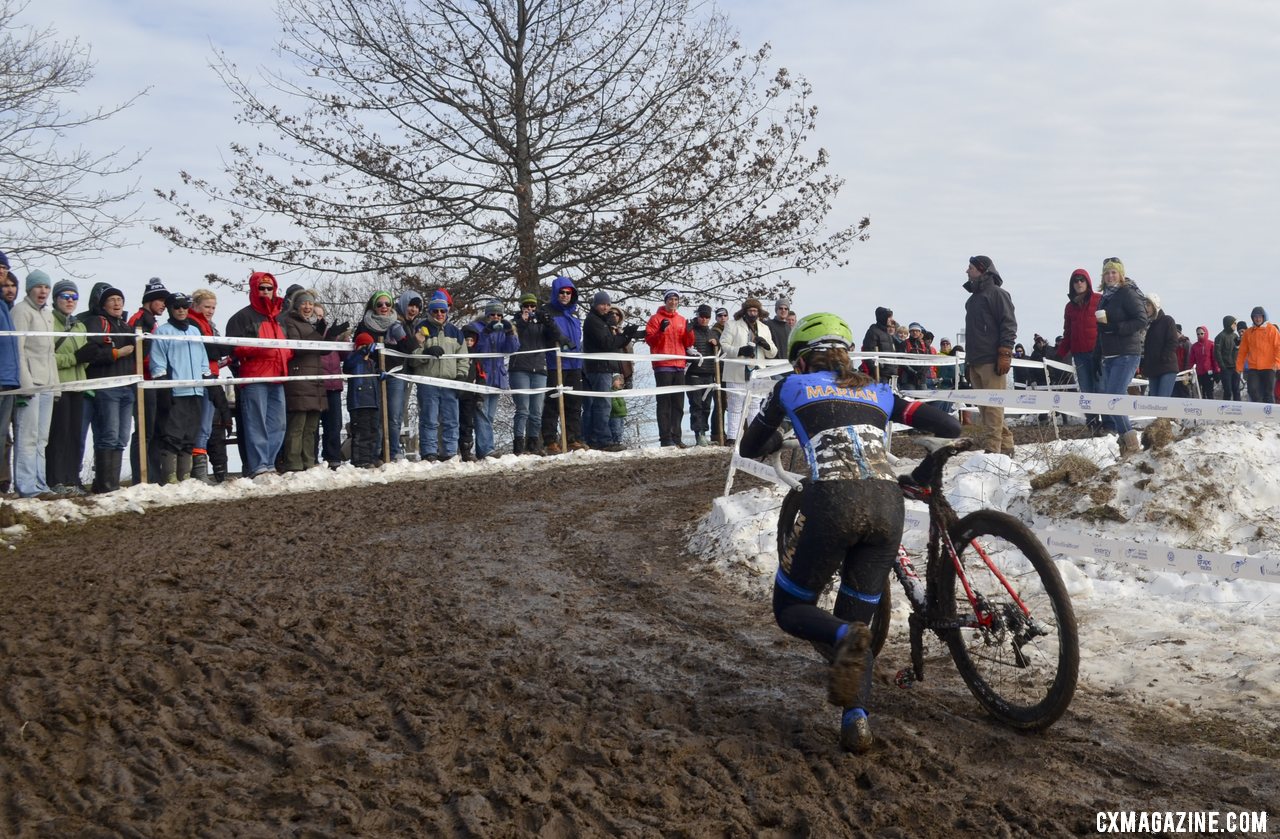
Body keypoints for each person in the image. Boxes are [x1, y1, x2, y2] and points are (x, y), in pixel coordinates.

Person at [738, 312, 960, 753]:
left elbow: (750, 446)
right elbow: (950, 426)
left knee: (791, 608)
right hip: (887, 504)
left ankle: (842, 636)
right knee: (859, 617)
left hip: (833, 502)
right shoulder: (875, 389)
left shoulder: (791, 387)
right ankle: (855, 718)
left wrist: (781, 433)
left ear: (799, 360)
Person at [226, 272, 292, 477]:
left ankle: (269, 463)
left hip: (278, 376)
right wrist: (260, 348)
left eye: (269, 288)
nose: (265, 292)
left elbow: (289, 345)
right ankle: (258, 466)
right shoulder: (241, 317)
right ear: (254, 289)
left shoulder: (281, 317)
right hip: (254, 376)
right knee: (256, 422)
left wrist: (285, 354)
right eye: (262, 288)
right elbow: (233, 348)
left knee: (278, 423)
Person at [75, 283, 136, 493]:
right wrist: (115, 353)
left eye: (119, 299)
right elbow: (89, 352)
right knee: (108, 434)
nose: (117, 303)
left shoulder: (127, 326)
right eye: (112, 300)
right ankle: (105, 484)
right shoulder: (97, 322)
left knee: (122, 437)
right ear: (103, 304)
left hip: (127, 386)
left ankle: (111, 482)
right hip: (106, 384)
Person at [282, 289, 347, 472]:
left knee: (311, 426)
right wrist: (319, 332)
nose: (308, 307)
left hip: (314, 379)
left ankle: (309, 462)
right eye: (304, 303)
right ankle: (294, 463)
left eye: (310, 303)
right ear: (296, 305)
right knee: (298, 425)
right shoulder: (290, 322)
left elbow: (321, 350)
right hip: (299, 378)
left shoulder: (309, 325)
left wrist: (331, 336)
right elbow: (299, 348)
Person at [149, 293, 211, 482]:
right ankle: (169, 477)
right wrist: (165, 386)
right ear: (170, 309)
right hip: (176, 390)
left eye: (185, 306)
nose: (182, 310)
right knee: (172, 435)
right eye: (177, 307)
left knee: (189, 435)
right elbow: (157, 362)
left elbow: (203, 360)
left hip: (196, 389)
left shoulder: (194, 331)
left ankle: (185, 476)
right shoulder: (162, 332)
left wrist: (210, 380)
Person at [962, 255, 1017, 455]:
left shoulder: (998, 294)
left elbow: (1009, 324)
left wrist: (1005, 352)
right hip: (975, 360)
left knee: (994, 408)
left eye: (970, 268)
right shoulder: (972, 300)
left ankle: (993, 450)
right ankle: (1007, 444)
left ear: (982, 270)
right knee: (986, 410)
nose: (967, 271)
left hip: (992, 360)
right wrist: (968, 362)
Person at [1094, 258, 1149, 454]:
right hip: (1109, 354)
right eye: (1107, 273)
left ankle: (1131, 443)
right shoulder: (1104, 297)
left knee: (1113, 398)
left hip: (1126, 352)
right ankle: (1125, 443)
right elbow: (1103, 329)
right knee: (1111, 401)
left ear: (1121, 275)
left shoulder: (1127, 292)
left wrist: (1117, 328)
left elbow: (1142, 319)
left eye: (1114, 273)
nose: (1110, 276)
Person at [11, 269, 58, 497]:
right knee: (27, 436)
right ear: (29, 288)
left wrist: (56, 385)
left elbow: (50, 353)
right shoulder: (21, 311)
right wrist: (25, 383)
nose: (43, 291)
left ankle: (40, 483)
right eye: (39, 286)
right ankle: (26, 486)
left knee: (42, 438)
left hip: (48, 383)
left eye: (46, 287)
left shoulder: (47, 314)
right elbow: (17, 349)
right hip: (30, 383)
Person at [408, 295, 466, 461]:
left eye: (443, 311)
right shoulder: (420, 328)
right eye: (436, 311)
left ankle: (450, 452)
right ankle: (429, 452)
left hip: (450, 382)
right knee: (429, 419)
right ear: (430, 311)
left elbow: (463, 357)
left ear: (447, 312)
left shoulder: (455, 332)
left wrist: (461, 376)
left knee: (451, 420)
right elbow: (412, 357)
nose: (439, 314)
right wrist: (426, 353)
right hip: (428, 381)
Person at [47, 280, 89, 494]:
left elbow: (85, 355)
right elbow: (48, 357)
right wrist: (74, 358)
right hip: (59, 384)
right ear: (56, 299)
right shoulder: (49, 323)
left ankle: (72, 478)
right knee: (58, 433)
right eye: (65, 296)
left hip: (78, 385)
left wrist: (87, 357)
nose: (70, 301)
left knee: (75, 434)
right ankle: (55, 479)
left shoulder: (80, 325)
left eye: (74, 297)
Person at [719, 297, 777, 445]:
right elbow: (724, 345)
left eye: (755, 310)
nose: (753, 313)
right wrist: (739, 350)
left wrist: (766, 345)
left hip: (758, 372)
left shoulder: (764, 328)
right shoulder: (732, 325)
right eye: (750, 310)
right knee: (735, 405)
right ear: (744, 312)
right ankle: (733, 438)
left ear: (759, 312)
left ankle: (753, 437)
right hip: (737, 372)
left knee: (755, 405)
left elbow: (773, 353)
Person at [128, 276, 170, 484]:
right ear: (149, 300)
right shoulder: (138, 319)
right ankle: (141, 478)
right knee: (144, 431)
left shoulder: (151, 321)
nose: (164, 304)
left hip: (153, 380)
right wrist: (154, 364)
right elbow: (135, 352)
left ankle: (154, 476)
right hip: (142, 380)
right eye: (160, 300)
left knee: (154, 430)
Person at [510, 292, 561, 456]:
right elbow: (512, 338)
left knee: (537, 411)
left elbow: (556, 335)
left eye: (533, 306)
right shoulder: (514, 322)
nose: (530, 309)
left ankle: (533, 446)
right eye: (527, 306)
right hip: (520, 368)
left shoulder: (541, 323)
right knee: (523, 409)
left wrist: (548, 320)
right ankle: (518, 446)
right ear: (521, 307)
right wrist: (523, 322)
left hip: (539, 368)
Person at [187, 289, 231, 483]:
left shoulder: (209, 325)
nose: (210, 310)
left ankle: (201, 472)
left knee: (208, 425)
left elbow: (218, 350)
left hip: (213, 375)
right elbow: (209, 350)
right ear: (195, 306)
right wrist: (222, 348)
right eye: (206, 306)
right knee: (202, 426)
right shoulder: (192, 323)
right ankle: (198, 473)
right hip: (200, 377)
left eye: (213, 307)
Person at [582, 291, 634, 451]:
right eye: (602, 304)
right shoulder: (593, 321)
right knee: (603, 404)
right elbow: (607, 343)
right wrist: (625, 337)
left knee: (599, 404)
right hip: (598, 367)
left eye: (607, 304)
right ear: (595, 304)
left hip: (602, 366)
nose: (605, 307)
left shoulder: (599, 321)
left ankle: (594, 438)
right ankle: (603, 439)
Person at [540, 276, 587, 453]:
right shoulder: (547, 313)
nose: (565, 295)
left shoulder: (575, 315)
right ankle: (550, 441)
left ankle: (572, 438)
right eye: (562, 292)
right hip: (556, 364)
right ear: (556, 293)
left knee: (574, 403)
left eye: (569, 293)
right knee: (553, 403)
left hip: (575, 364)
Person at [469, 299, 519, 458]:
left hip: (497, 377)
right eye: (492, 314)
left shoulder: (503, 330)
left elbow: (512, 349)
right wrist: (486, 333)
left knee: (489, 416)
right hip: (481, 376)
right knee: (481, 414)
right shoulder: (476, 328)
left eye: (499, 314)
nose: (496, 317)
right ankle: (487, 449)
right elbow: (477, 349)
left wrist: (510, 332)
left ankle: (483, 450)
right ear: (487, 314)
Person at [645, 289, 694, 447]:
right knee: (664, 403)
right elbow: (650, 341)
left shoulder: (681, 320)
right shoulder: (655, 319)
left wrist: (689, 331)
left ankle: (677, 437)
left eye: (675, 299)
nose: (673, 302)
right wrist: (661, 331)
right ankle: (665, 438)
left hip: (679, 365)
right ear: (665, 301)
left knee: (678, 403)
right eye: (670, 299)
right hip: (663, 365)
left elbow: (687, 343)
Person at [1057, 268, 1103, 432]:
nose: (1078, 283)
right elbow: (1067, 332)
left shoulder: (1099, 299)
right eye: (1075, 280)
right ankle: (1092, 424)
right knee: (1086, 389)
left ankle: (1109, 423)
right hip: (1079, 354)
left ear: (1088, 282)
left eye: (1081, 280)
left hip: (1099, 352)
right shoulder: (1069, 307)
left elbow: (1107, 325)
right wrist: (1060, 352)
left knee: (1101, 388)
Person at [342, 332, 382, 467]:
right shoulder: (353, 360)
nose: (366, 348)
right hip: (359, 403)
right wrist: (361, 352)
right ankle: (360, 460)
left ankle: (372, 457)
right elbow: (347, 366)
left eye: (368, 345)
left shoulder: (372, 363)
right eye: (363, 345)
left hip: (373, 402)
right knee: (362, 432)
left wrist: (380, 374)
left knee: (373, 431)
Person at [685, 304, 720, 446]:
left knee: (706, 406)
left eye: (707, 317)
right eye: (702, 316)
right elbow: (685, 342)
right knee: (696, 405)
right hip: (694, 373)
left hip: (709, 373)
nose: (704, 319)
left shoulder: (713, 333)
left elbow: (719, 352)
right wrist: (690, 326)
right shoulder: (690, 329)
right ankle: (698, 434)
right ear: (698, 315)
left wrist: (716, 344)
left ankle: (704, 433)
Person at [0, 255, 18, 493]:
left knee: (3, 435)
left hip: (8, 378)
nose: (2, 272)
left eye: (5, 268)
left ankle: (3, 484)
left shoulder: (5, 305)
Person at [1236, 306, 1280, 405]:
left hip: (1269, 367)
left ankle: (1270, 417)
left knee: (1268, 393)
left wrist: (1277, 362)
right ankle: (1259, 413)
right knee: (1252, 390)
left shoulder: (1272, 330)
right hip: (1254, 368)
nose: (1257, 319)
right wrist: (1239, 366)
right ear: (1252, 318)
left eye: (1260, 316)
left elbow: (1278, 347)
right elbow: (1242, 351)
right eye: (1255, 317)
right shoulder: (1248, 332)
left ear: (1263, 317)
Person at [1140, 292, 1178, 398]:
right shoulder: (1147, 325)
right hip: (1152, 369)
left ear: (1154, 305)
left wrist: (1164, 357)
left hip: (1166, 367)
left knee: (1162, 402)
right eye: (1144, 305)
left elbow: (1173, 341)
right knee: (1155, 404)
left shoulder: (1167, 320)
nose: (1145, 307)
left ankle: (1167, 415)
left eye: (1148, 304)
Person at [860, 306, 898, 382]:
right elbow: (868, 353)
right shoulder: (873, 332)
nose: (891, 319)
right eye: (889, 317)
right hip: (880, 375)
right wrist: (877, 369)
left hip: (891, 374)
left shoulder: (887, 333)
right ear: (883, 317)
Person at [1188, 325, 1220, 400]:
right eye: (1198, 334)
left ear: (1206, 333)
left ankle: (1210, 408)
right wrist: (1190, 372)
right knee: (1201, 393)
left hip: (1209, 372)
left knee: (1209, 392)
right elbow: (1192, 360)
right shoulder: (1194, 346)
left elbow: (1214, 359)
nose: (1200, 335)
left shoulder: (1211, 344)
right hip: (1199, 373)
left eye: (1201, 333)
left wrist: (1217, 371)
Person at [1214, 315, 1242, 402]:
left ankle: (1239, 410)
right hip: (1226, 368)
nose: (1235, 325)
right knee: (1228, 391)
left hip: (1236, 368)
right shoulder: (1220, 337)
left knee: (1236, 390)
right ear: (1229, 324)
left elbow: (1239, 350)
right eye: (1234, 323)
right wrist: (1222, 366)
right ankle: (1226, 411)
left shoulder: (1235, 336)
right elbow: (1217, 353)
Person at [608, 373, 628, 446]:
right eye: (618, 380)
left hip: (621, 415)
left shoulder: (619, 392)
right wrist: (620, 410)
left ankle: (619, 442)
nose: (620, 382)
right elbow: (613, 403)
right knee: (615, 430)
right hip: (615, 415)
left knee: (621, 430)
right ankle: (615, 442)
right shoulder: (611, 392)